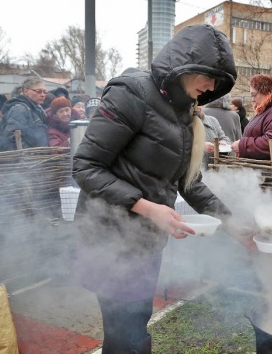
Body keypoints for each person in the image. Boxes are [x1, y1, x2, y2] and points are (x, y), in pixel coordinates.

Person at [72, 24, 243, 354]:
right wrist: (147, 208)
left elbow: (189, 182)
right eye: (209, 76)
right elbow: (85, 167)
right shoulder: (131, 93)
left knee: (133, 327)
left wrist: (233, 224)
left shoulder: (184, 113)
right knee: (129, 336)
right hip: (110, 239)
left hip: (147, 243)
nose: (211, 87)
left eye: (219, 82)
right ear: (184, 65)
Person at [231, 74, 272, 162]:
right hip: (264, 171)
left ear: (265, 91)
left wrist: (243, 145)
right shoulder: (269, 110)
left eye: (254, 95)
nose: (252, 99)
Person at [0, 77, 49, 151]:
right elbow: (12, 137)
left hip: (37, 159)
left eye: (44, 92)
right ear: (26, 91)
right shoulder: (20, 109)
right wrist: (31, 155)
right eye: (38, 91)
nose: (43, 95)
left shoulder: (38, 108)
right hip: (27, 160)